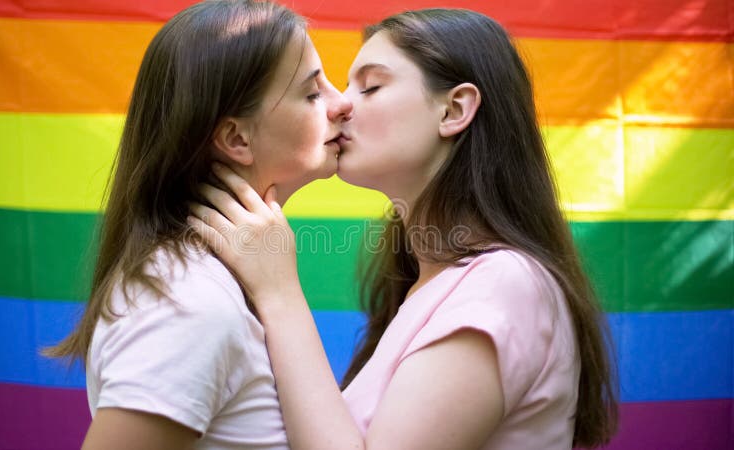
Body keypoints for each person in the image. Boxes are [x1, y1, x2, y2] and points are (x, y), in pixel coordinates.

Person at [188, 8, 618, 449]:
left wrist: (279, 293)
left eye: (370, 86)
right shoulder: (426, 283)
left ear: (453, 110)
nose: (340, 105)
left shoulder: (504, 285)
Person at [46, 1, 352, 448]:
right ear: (235, 138)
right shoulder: (185, 302)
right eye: (311, 93)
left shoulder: (222, 279)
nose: (342, 102)